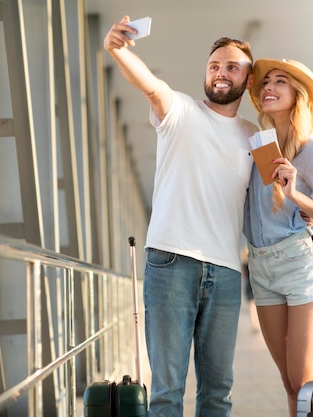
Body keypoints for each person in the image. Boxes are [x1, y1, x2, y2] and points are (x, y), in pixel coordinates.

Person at [104, 16, 258, 417]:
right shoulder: (181, 110)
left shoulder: (253, 135)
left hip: (225, 273)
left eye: (231, 67)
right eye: (214, 66)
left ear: (248, 79)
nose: (220, 73)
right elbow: (150, 85)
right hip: (171, 262)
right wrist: (117, 49)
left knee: (218, 392)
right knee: (167, 390)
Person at [243, 58, 313, 417]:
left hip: (303, 268)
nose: (268, 87)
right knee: (289, 384)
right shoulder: (258, 149)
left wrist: (297, 196)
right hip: (262, 268)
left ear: (298, 95)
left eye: (280, 82)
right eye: (265, 83)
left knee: (303, 381)